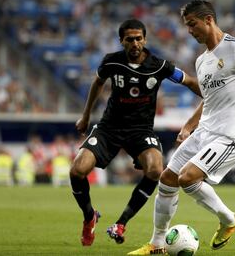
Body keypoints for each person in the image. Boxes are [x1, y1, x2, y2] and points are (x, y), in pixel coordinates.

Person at [128, 0, 235, 255]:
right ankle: (156, 245)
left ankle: (229, 220)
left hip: (231, 134)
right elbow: (209, 100)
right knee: (167, 178)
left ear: (209, 20)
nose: (189, 30)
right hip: (205, 132)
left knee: (187, 178)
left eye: (192, 24)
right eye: (187, 25)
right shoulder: (202, 61)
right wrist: (189, 125)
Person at [69, 18, 200, 246]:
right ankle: (90, 216)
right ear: (122, 41)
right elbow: (98, 83)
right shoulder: (112, 62)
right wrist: (86, 115)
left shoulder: (159, 65)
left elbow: (188, 81)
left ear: (145, 39)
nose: (135, 43)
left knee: (156, 169)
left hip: (140, 130)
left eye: (139, 38)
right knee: (77, 171)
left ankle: (121, 223)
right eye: (129, 39)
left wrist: (214, 95)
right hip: (109, 127)